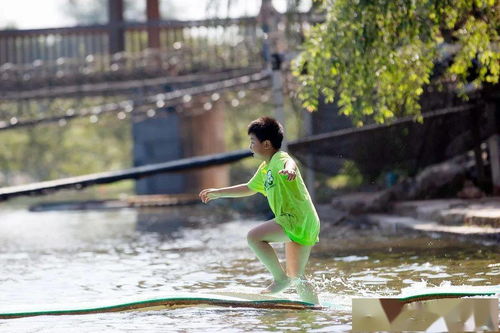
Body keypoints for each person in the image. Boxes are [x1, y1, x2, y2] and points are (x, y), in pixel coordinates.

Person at [199, 116, 320, 304]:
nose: (249, 146)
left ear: (266, 144)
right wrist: (219, 193)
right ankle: (315, 309)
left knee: (254, 237)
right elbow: (249, 188)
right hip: (306, 221)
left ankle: (280, 279)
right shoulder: (265, 168)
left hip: (295, 218)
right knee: (297, 277)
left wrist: (290, 170)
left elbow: (290, 163)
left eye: (252, 142)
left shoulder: (280, 159)